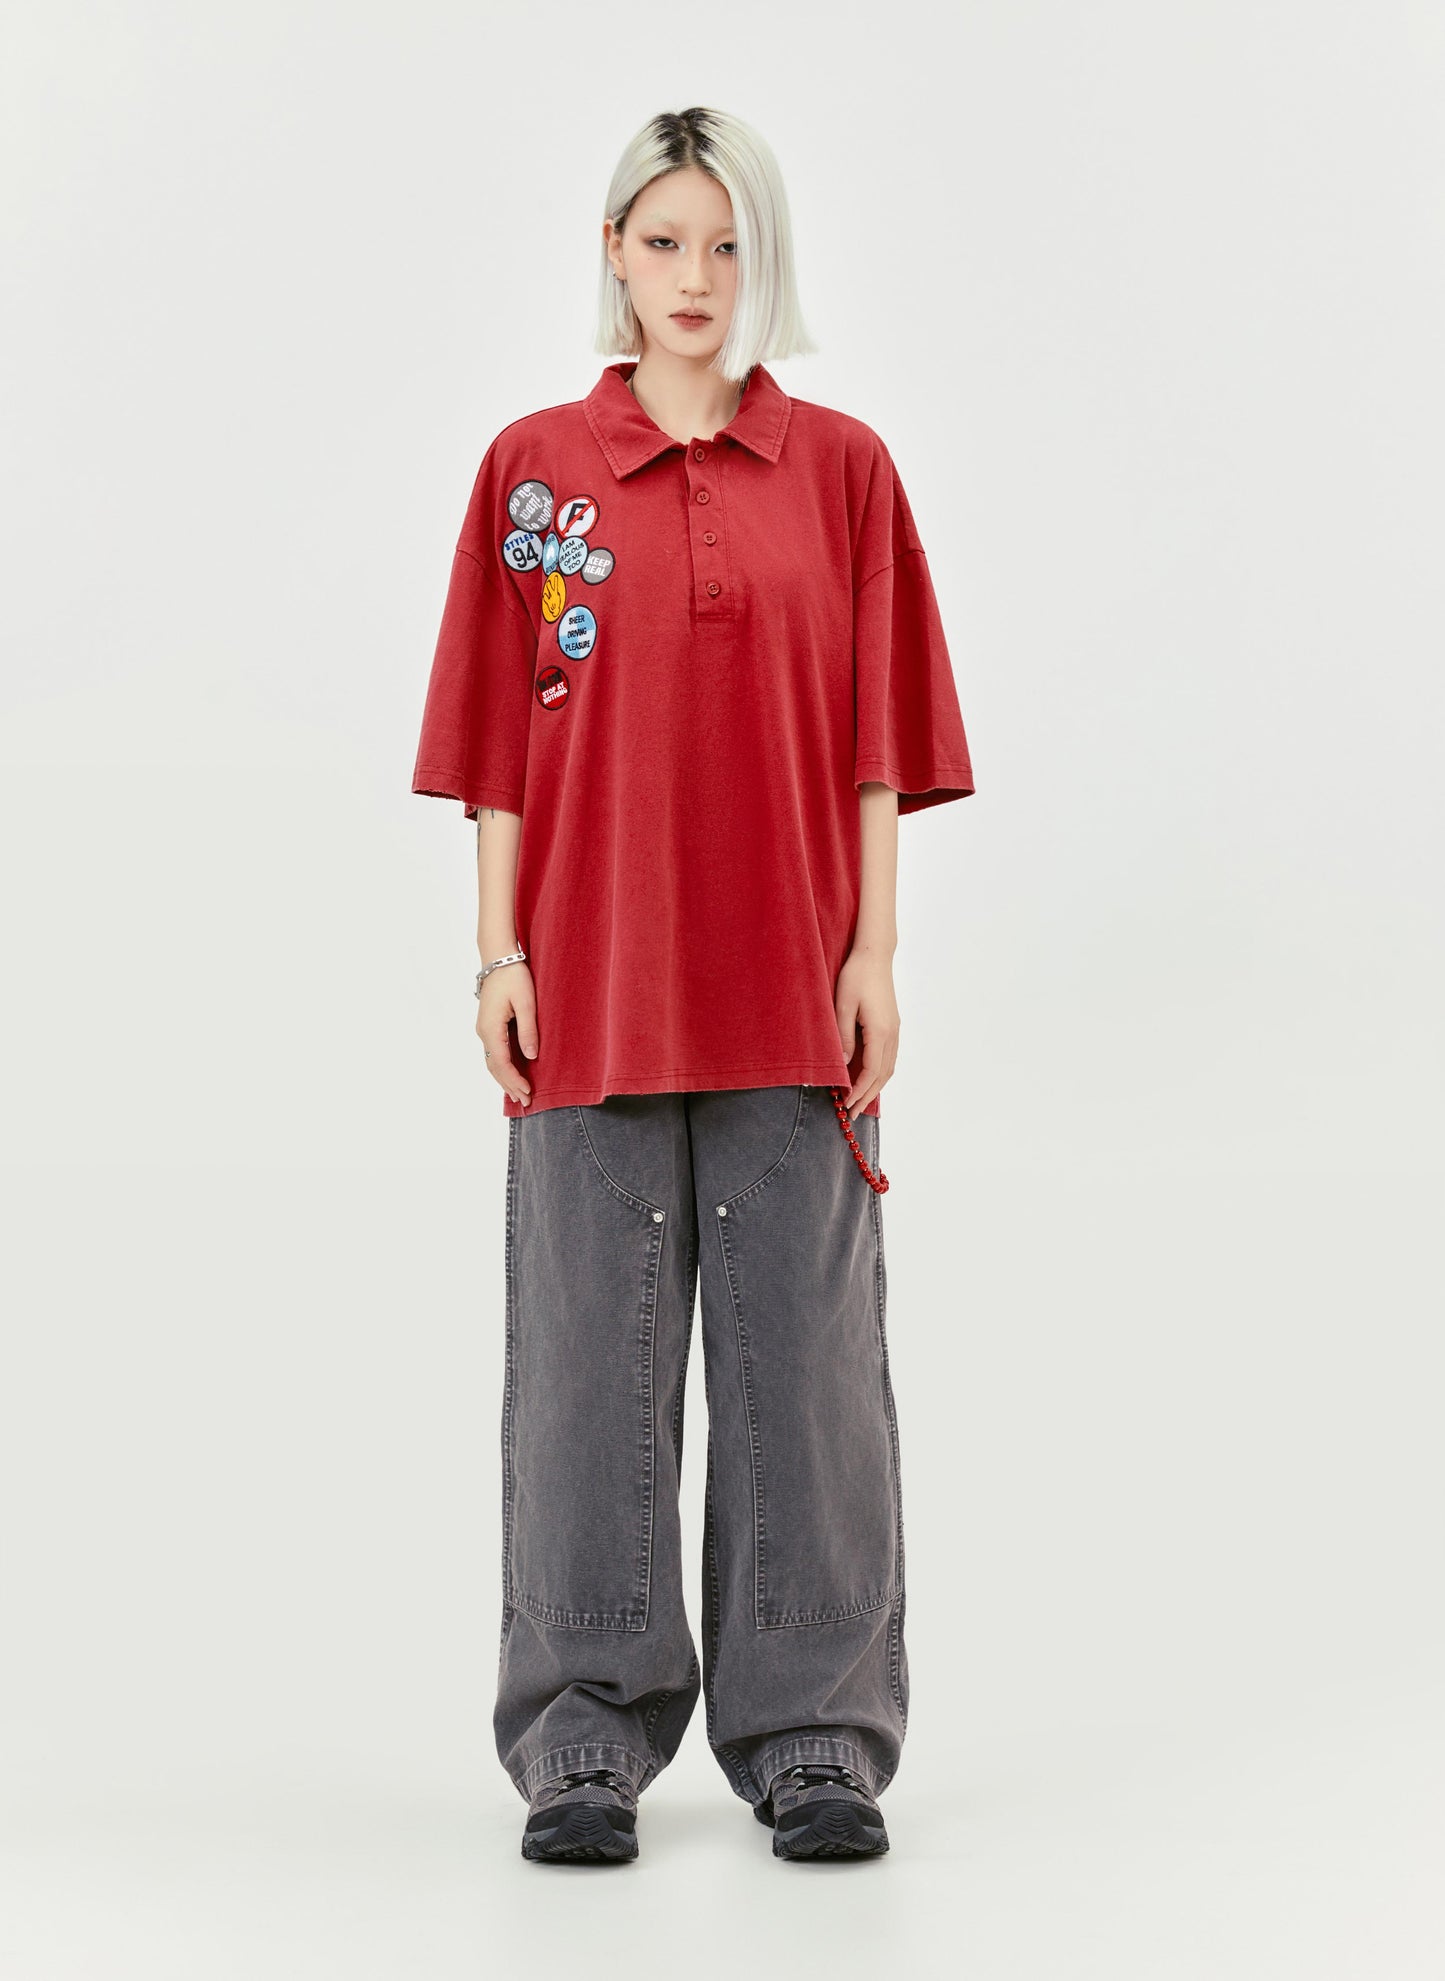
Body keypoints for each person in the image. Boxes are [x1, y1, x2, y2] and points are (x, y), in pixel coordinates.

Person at [410, 105, 975, 1864]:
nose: (696, 279)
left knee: (807, 1370)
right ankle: (581, 1735)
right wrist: (497, 952)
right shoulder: (534, 474)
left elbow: (878, 742)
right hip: (588, 986)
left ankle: (814, 1735)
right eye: (663, 241)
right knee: (588, 1367)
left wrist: (873, 952)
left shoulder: (843, 471)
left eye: (727, 245)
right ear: (611, 252)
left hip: (792, 987)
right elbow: (496, 746)